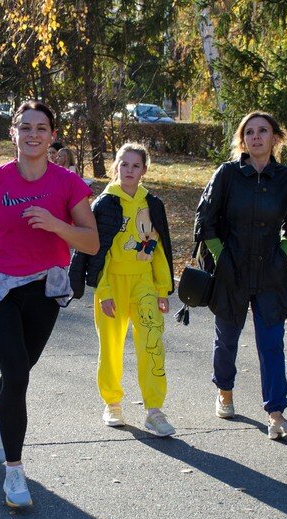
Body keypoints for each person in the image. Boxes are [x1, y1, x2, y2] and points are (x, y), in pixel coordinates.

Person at [0, 100, 99, 508]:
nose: (33, 134)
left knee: (18, 372)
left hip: (44, 289)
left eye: (41, 128)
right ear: (13, 134)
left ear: (52, 136)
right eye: (26, 127)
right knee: (16, 373)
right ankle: (14, 473)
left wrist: (56, 224)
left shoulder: (67, 183)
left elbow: (90, 242)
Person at [193, 111, 287, 440]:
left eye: (264, 131)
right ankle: (224, 391)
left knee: (272, 344)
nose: (257, 137)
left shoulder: (286, 178)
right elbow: (205, 220)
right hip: (232, 272)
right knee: (227, 341)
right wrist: (221, 256)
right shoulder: (227, 174)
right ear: (242, 139)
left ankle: (276, 416)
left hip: (271, 274)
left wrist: (280, 254)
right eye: (250, 132)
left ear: (275, 138)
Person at [70, 143, 175, 437]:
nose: (129, 170)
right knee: (111, 347)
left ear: (144, 170)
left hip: (144, 284)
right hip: (113, 284)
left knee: (152, 344)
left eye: (135, 165)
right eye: (123, 164)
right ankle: (112, 403)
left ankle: (154, 410)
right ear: (116, 167)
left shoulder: (153, 204)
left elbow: (161, 250)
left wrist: (162, 289)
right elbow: (96, 252)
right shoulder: (104, 204)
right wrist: (102, 291)